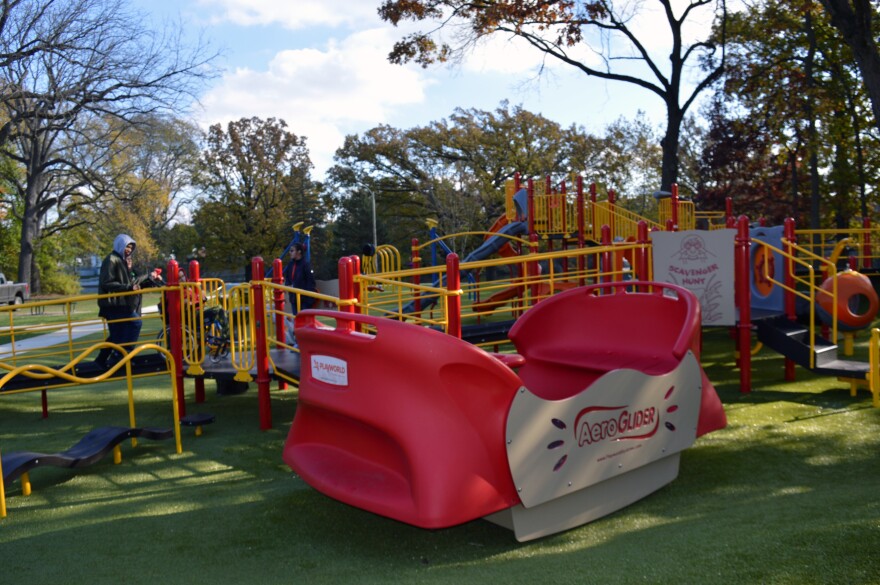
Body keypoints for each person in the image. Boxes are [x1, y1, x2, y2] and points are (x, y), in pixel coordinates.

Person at [95, 234, 161, 368]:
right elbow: (106, 283)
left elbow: (134, 284)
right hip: (114, 304)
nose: (129, 250)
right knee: (135, 323)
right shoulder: (111, 260)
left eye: (131, 247)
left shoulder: (124, 261)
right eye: (127, 246)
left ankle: (101, 360)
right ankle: (123, 355)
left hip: (121, 303)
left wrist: (150, 281)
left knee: (116, 335)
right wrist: (129, 287)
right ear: (120, 245)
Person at [282, 243, 316, 315]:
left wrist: (309, 300)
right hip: (294, 299)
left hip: (304, 300)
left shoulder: (306, 265)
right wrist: (288, 285)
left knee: (304, 322)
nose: (290, 253)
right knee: (296, 320)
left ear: (299, 252)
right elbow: (288, 278)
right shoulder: (290, 265)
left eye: (292, 251)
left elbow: (311, 282)